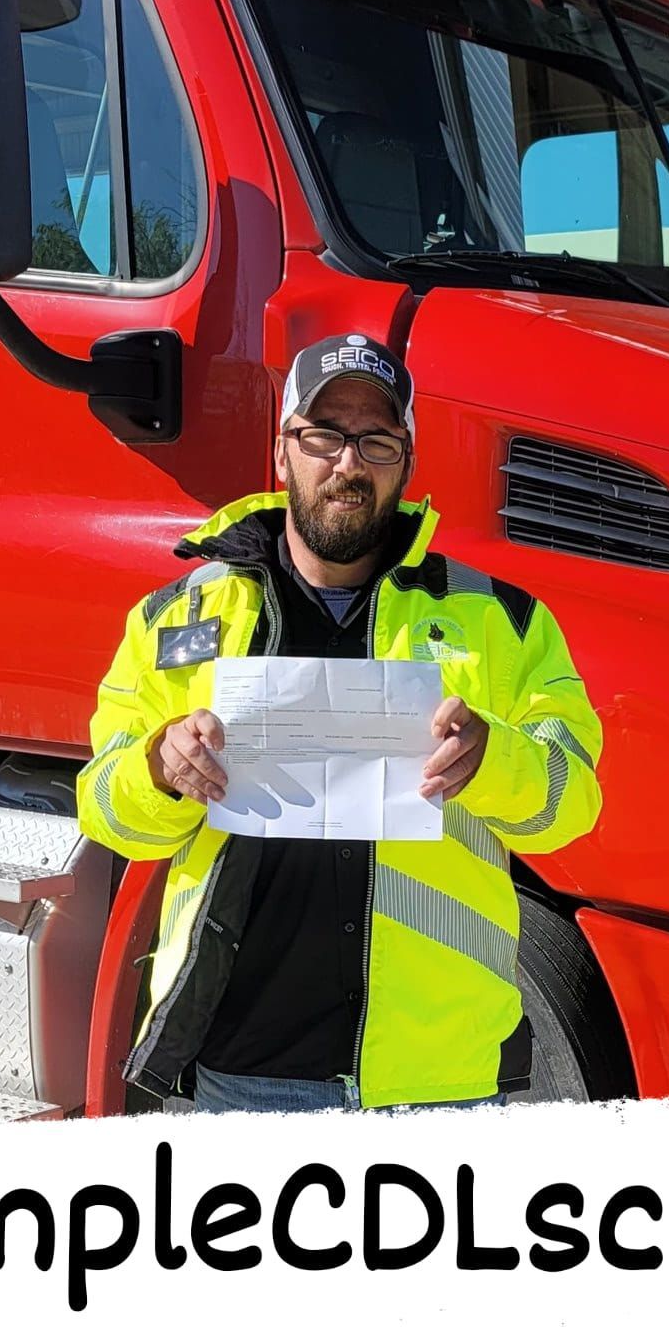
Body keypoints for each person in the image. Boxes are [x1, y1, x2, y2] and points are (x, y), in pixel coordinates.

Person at [78, 333, 602, 1113]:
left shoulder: (501, 620)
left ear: (407, 462)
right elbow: (107, 811)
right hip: (247, 1073)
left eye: (376, 441)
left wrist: (492, 757)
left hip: (438, 1080)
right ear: (283, 452)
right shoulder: (177, 619)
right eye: (323, 436)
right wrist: (159, 768)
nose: (347, 464)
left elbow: (571, 805)